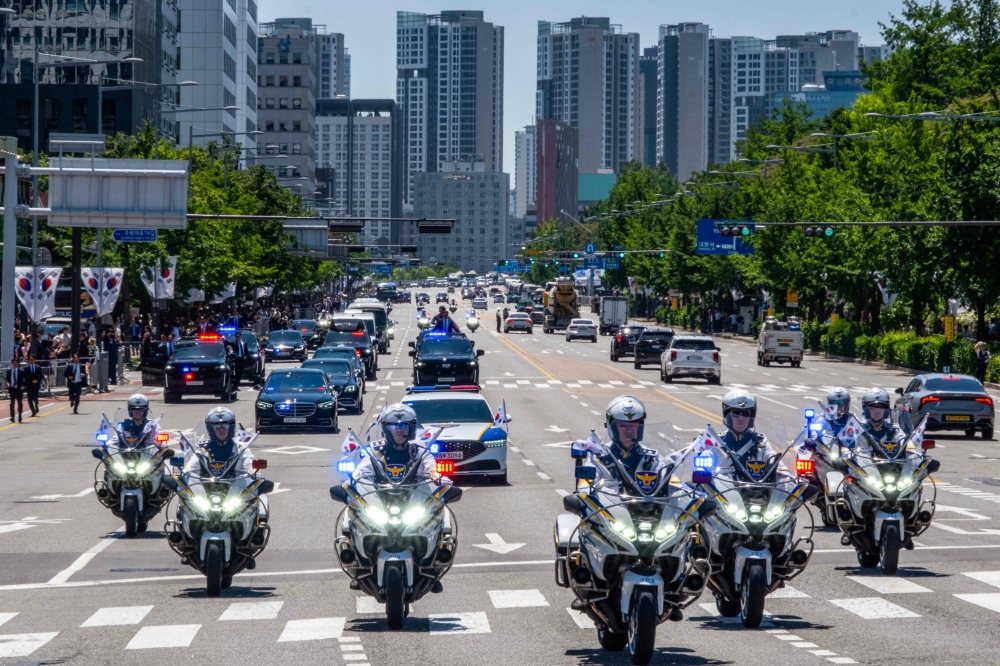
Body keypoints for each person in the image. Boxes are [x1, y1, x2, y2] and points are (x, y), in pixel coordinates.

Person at [352, 403, 442, 484]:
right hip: (379, 498)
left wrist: (434, 473)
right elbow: (363, 467)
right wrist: (357, 473)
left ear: (410, 430)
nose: (399, 430)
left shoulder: (420, 451)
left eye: (404, 426)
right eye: (394, 426)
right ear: (387, 430)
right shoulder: (376, 451)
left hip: (415, 497)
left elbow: (430, 466)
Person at [184, 407, 256, 477]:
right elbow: (191, 466)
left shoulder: (241, 448)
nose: (221, 430)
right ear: (211, 429)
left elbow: (250, 465)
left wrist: (254, 472)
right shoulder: (202, 449)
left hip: (236, 487)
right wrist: (185, 472)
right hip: (205, 487)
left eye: (225, 426)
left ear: (231, 428)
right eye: (217, 427)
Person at [5, 357, 26, 423]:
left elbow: (26, 379)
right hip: (12, 389)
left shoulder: (21, 371)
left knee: (19, 402)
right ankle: (12, 416)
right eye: (14, 363)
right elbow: (7, 379)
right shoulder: (9, 371)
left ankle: (20, 415)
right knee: (12, 403)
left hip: (19, 389)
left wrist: (23, 385)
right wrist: (8, 384)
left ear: (18, 364)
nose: (15, 364)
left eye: (16, 363)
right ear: (12, 364)